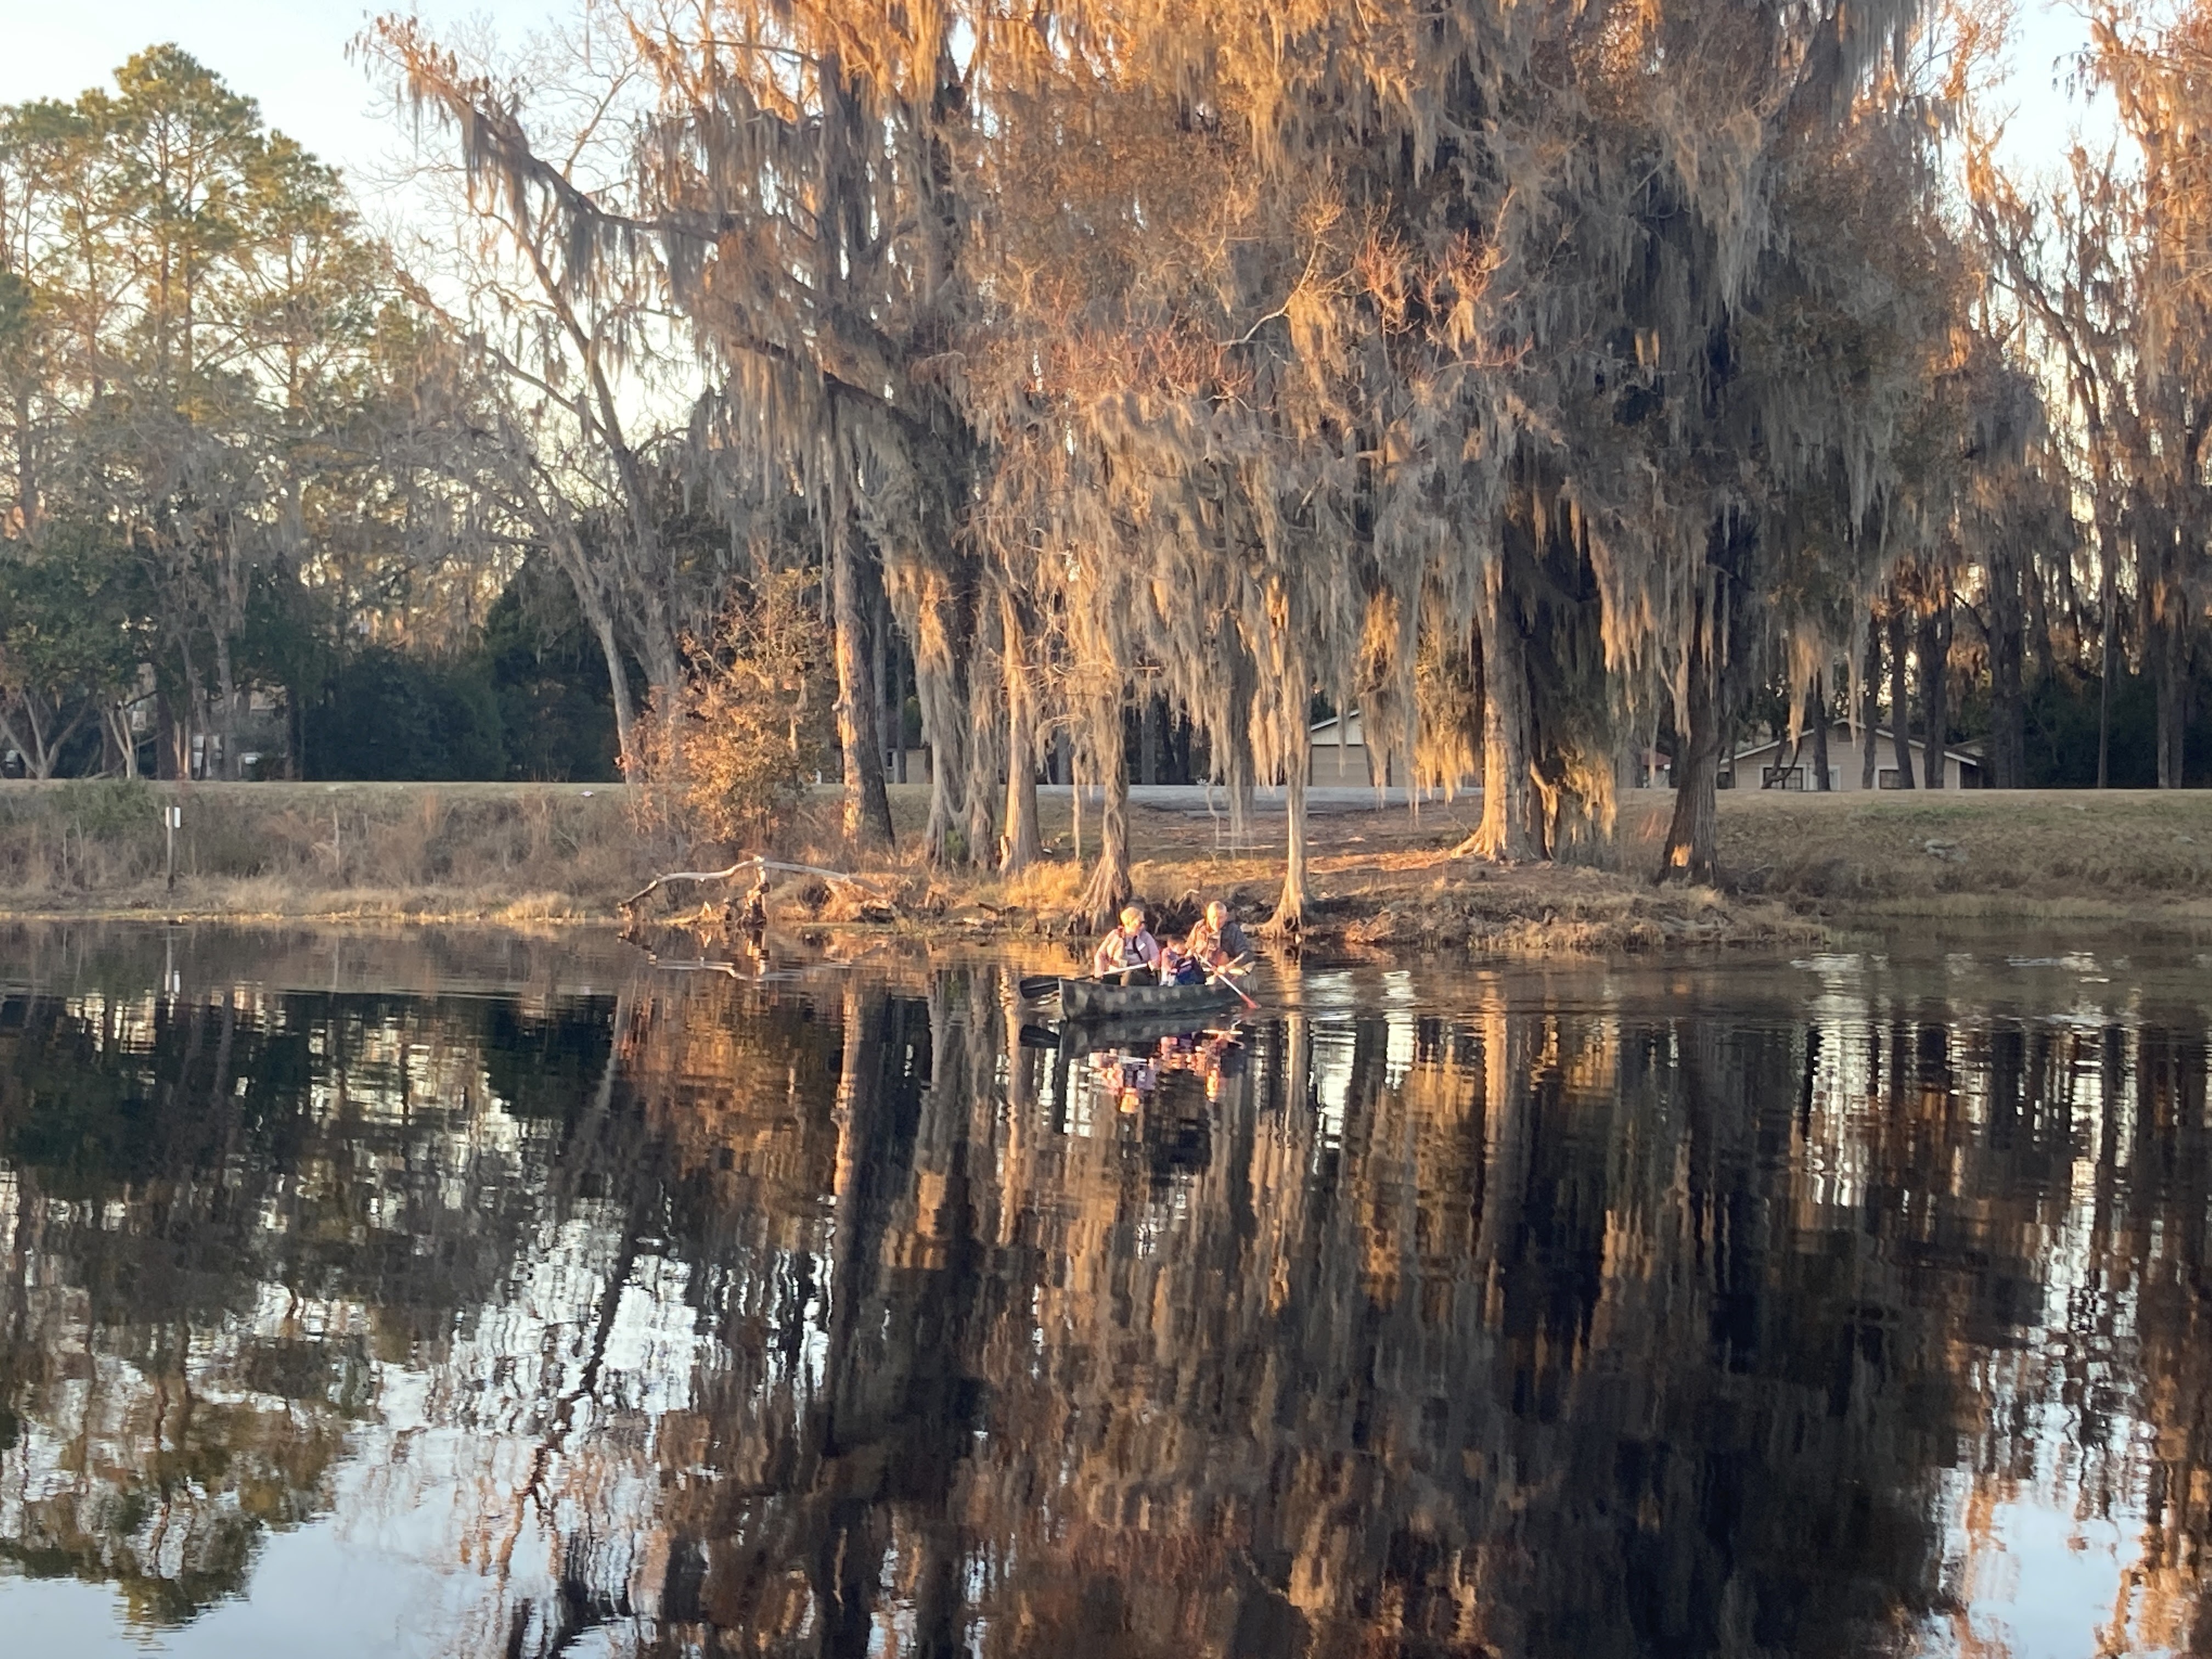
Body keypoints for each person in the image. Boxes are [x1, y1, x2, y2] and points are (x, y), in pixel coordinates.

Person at [1091, 904, 1161, 978]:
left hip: (1139, 972)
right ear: (1129, 922)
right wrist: (1099, 969)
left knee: (1129, 976)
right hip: (1117, 971)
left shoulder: (1146, 937)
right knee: (1106, 980)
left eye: (1143, 923)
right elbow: (1100, 954)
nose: (1143, 926)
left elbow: (1155, 955)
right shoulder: (1115, 935)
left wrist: (1154, 962)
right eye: (1140, 923)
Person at [1184, 901, 1251, 973]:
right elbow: (1188, 948)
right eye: (1213, 917)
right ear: (1208, 916)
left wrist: (1229, 966)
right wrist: (1188, 955)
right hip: (1199, 971)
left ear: (1226, 917)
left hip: (1222, 972)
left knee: (1214, 982)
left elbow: (1246, 953)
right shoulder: (1199, 927)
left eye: (1220, 918)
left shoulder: (1233, 930)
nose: (1216, 922)